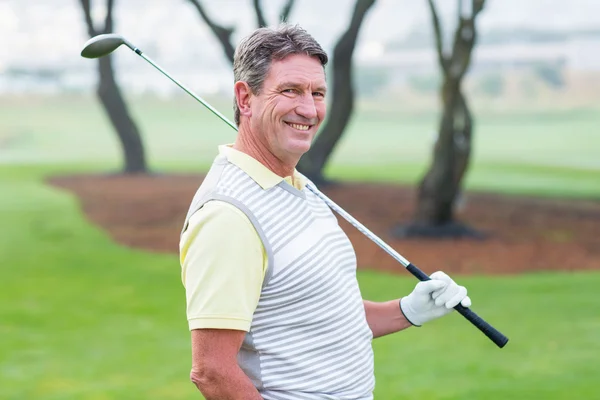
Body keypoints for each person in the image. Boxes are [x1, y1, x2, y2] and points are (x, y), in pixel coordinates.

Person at [179, 23, 472, 400]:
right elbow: (212, 371)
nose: (309, 109)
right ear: (245, 98)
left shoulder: (300, 187)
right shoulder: (228, 216)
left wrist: (408, 309)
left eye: (317, 93)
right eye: (290, 91)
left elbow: (319, 314)